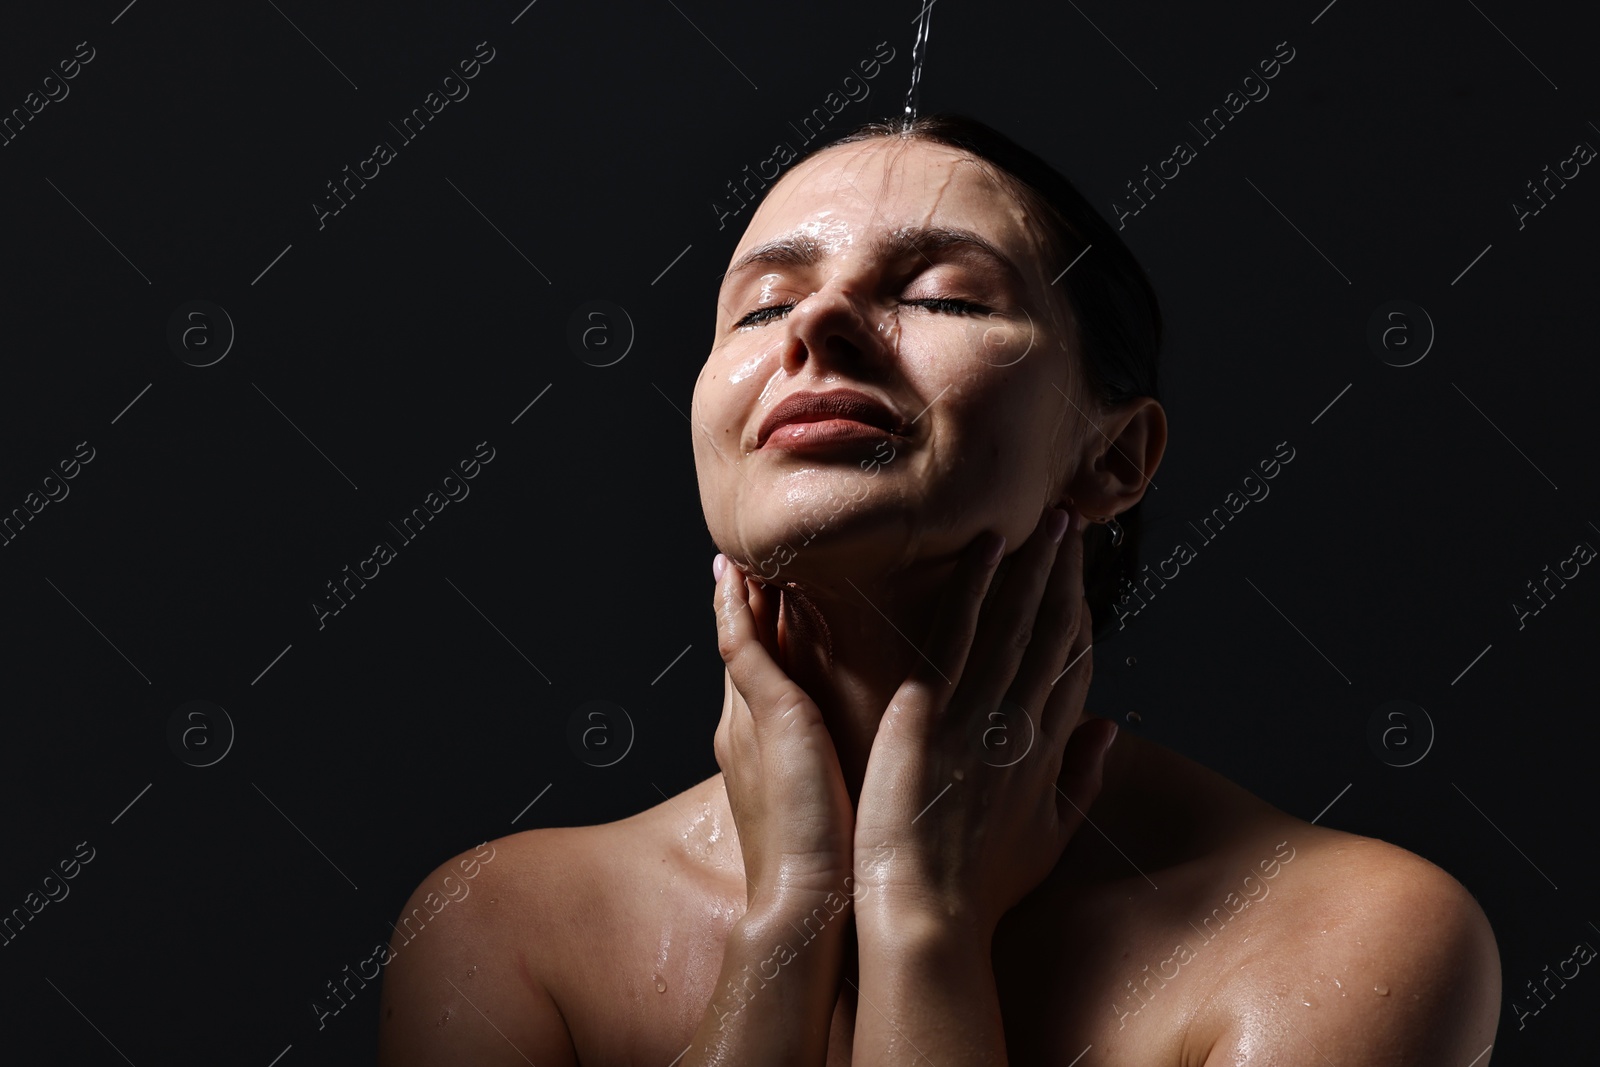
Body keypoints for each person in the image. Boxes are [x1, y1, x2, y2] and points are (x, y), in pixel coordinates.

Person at [377, 113, 1501, 1066]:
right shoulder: (499, 930)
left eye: (945, 295)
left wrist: (922, 921)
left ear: (1114, 458)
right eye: (760, 308)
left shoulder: (1345, 933)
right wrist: (790, 924)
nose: (814, 324)